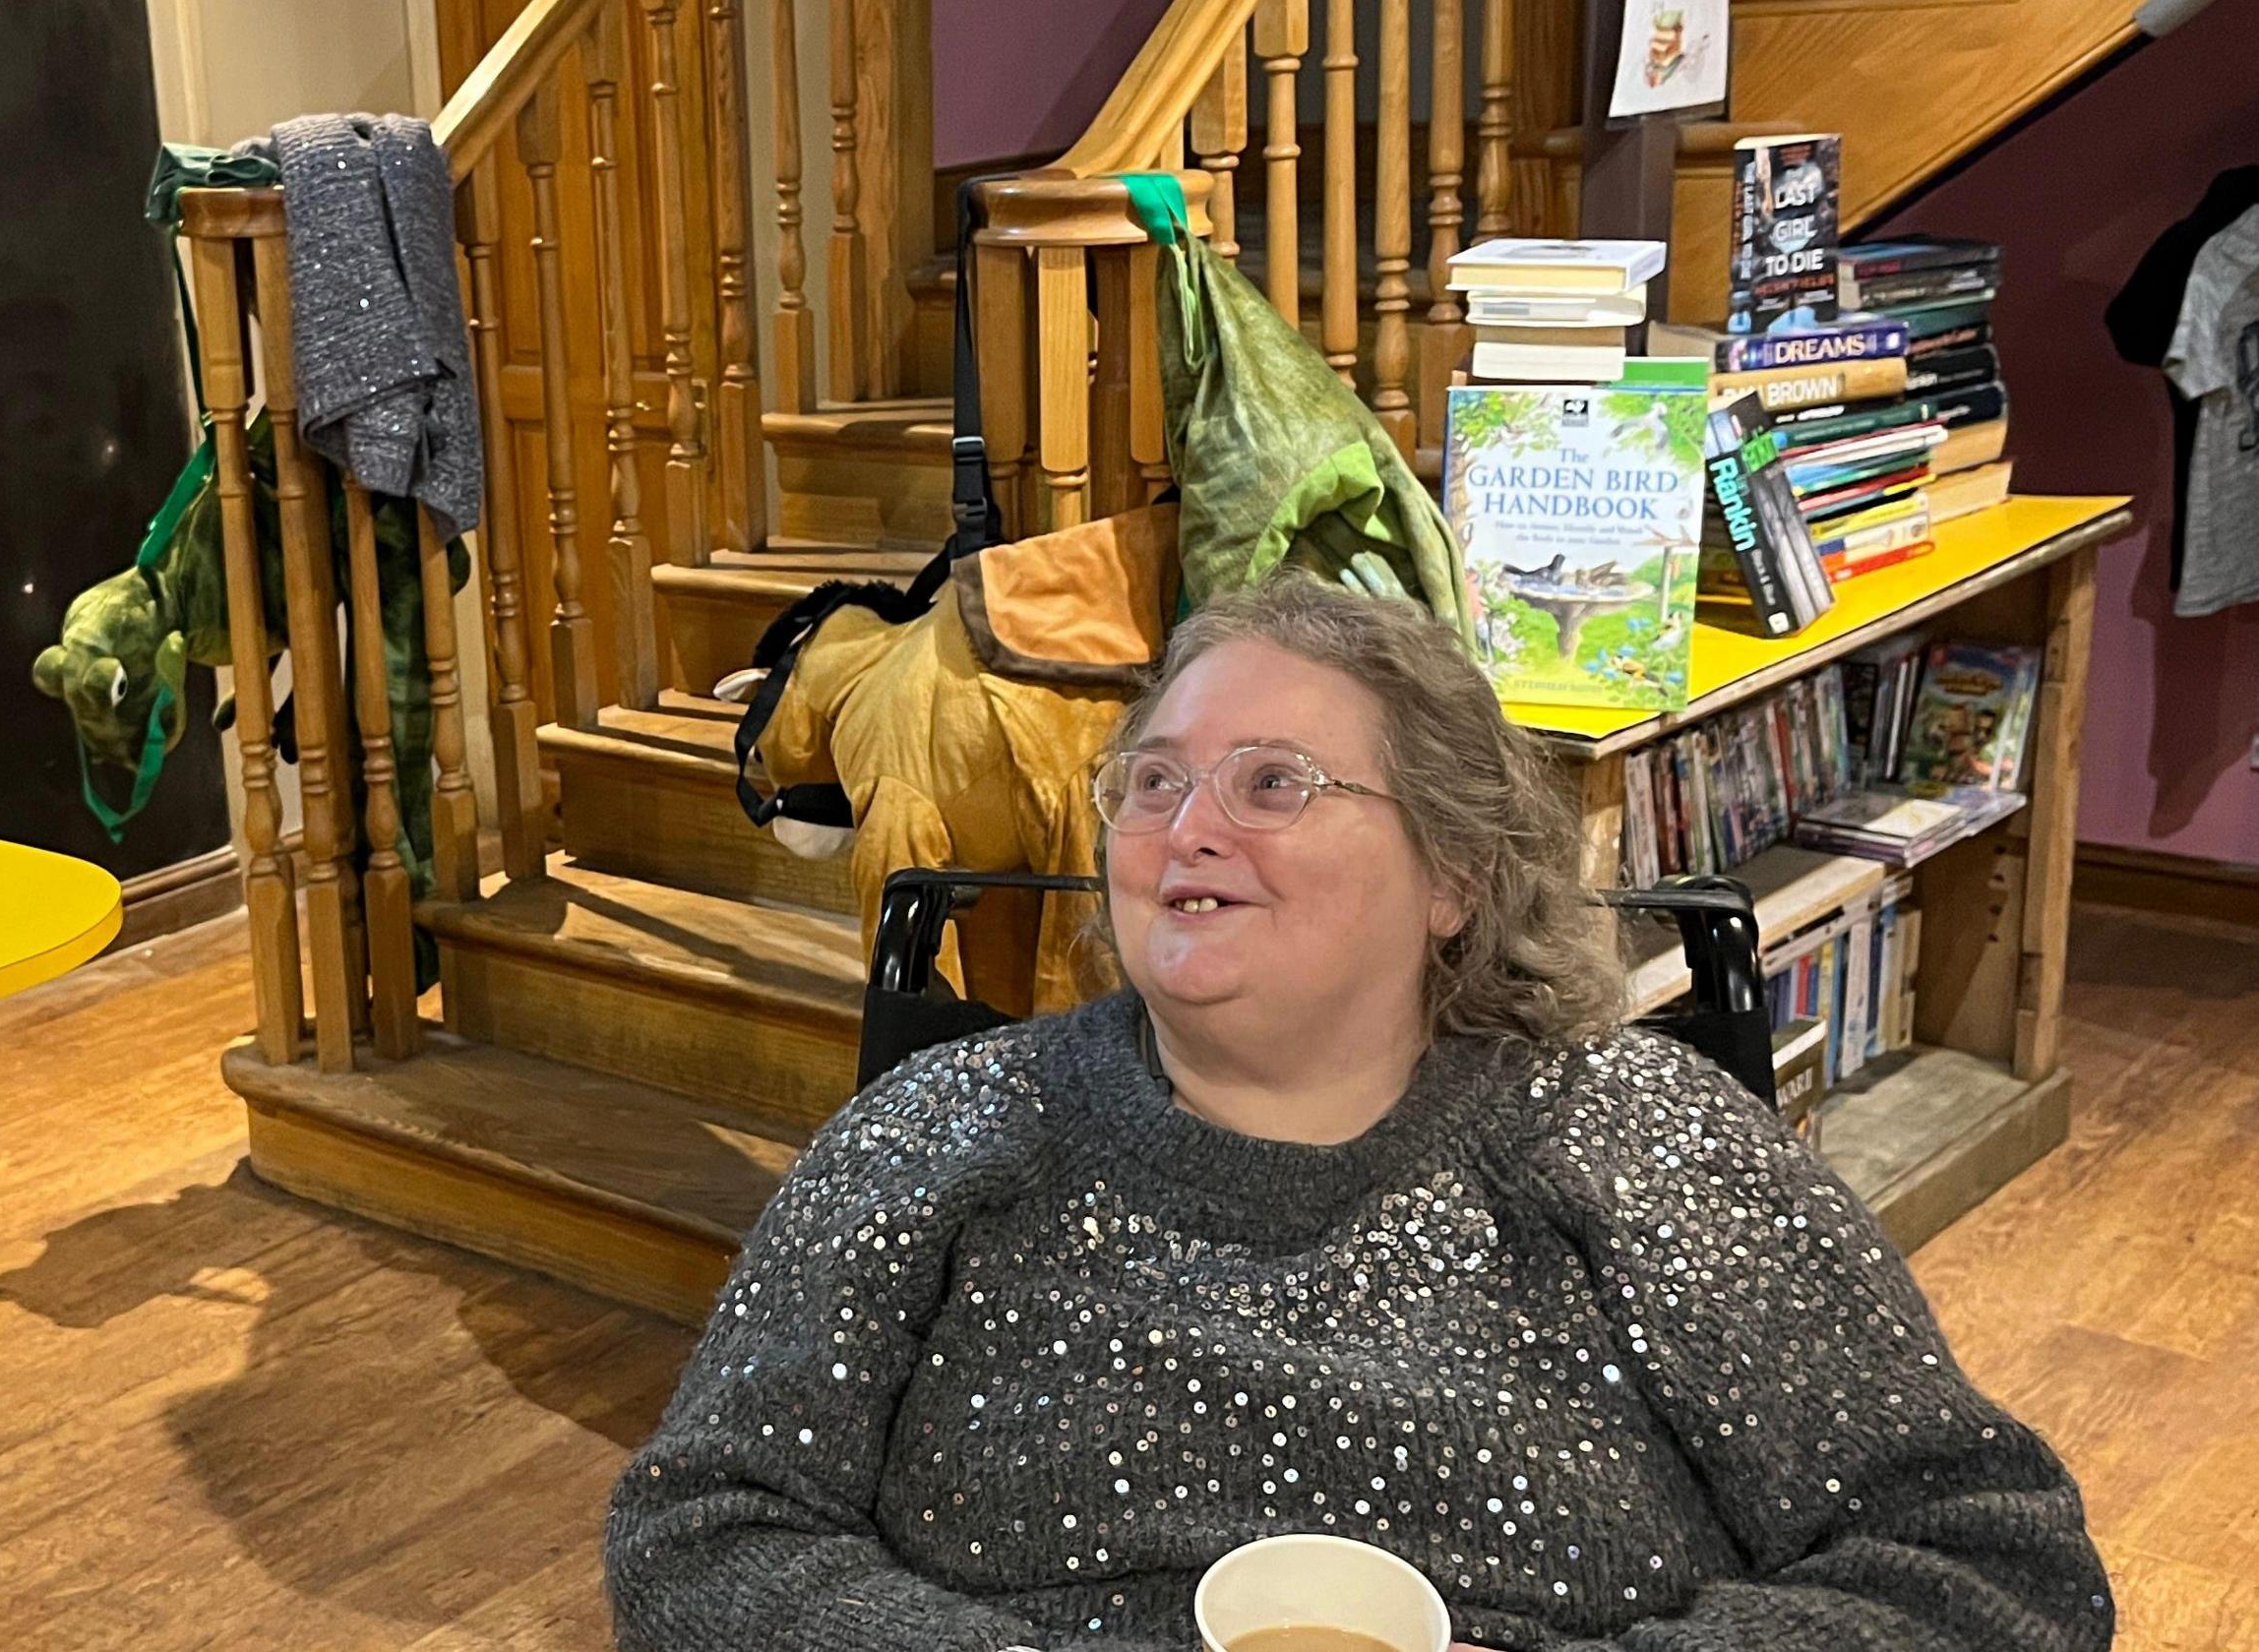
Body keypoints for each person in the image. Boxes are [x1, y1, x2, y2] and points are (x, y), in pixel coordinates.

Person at [604, 575, 2113, 1652]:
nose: (1185, 831)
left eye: (1276, 784)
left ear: (1454, 873)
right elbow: (705, 1534)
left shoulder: (1638, 1139)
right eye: (1153, 783)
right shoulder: (941, 1136)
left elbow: (1989, 1569)